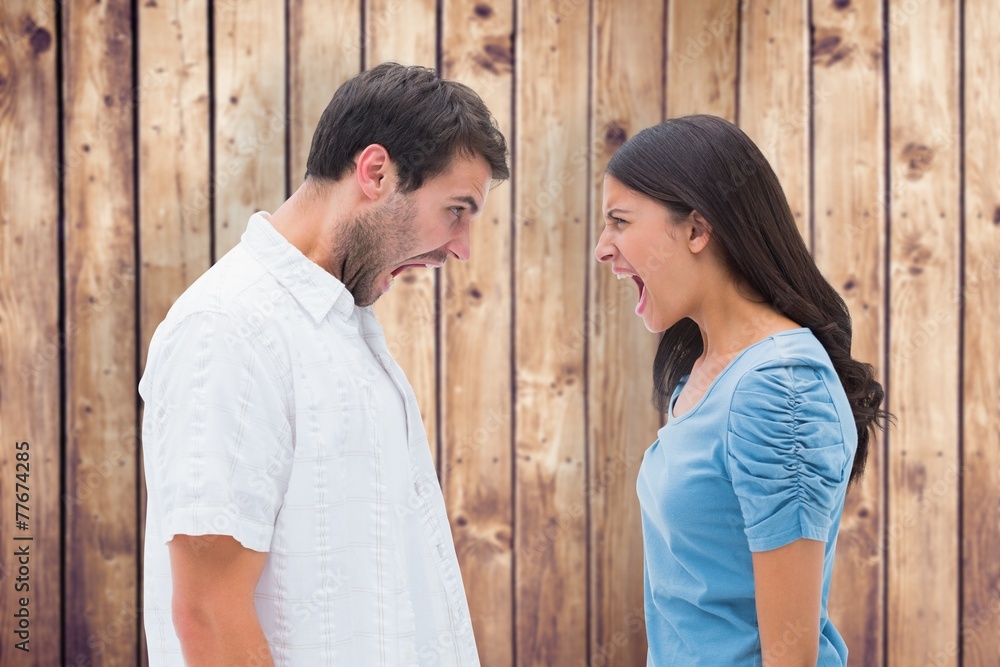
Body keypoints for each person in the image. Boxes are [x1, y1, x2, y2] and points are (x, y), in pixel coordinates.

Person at [139, 62, 508, 666]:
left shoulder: (336, 326)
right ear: (376, 172)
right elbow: (208, 613)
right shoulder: (228, 329)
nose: (461, 248)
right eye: (456, 209)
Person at [594, 115, 889, 666]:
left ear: (696, 230)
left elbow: (790, 656)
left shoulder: (780, 389)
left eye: (620, 221)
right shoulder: (704, 373)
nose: (602, 248)